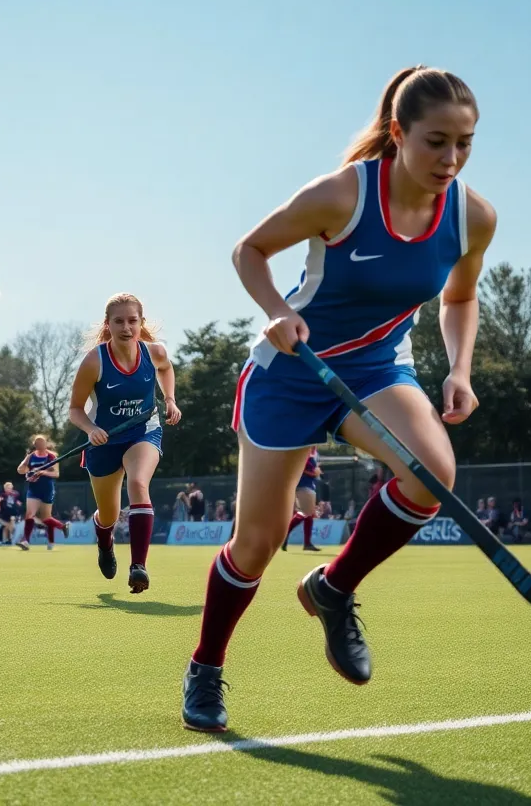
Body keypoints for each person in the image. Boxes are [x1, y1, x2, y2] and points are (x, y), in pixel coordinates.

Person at [181, 66, 496, 732]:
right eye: (436, 142)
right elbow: (249, 250)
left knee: (433, 473)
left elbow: (460, 297)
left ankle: (333, 587)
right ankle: (205, 666)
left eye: (464, 144)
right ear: (398, 133)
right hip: (293, 372)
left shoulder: (472, 217)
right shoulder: (342, 195)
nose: (451, 159)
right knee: (257, 544)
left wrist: (460, 369)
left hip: (378, 370)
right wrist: (276, 310)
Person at [68, 293, 182, 593]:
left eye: (133, 321)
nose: (126, 328)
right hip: (103, 442)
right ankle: (104, 541)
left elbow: (166, 369)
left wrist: (170, 399)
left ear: (141, 322)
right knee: (109, 515)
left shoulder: (155, 353)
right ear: (108, 324)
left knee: (138, 483)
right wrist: (91, 429)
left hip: (143, 431)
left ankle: (138, 566)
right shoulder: (94, 361)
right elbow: (75, 409)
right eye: (119, 321)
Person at [17, 435, 67, 551]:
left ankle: (59, 530)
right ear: (35, 445)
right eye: (37, 443)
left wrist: (42, 472)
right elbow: (20, 469)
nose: (39, 445)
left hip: (47, 490)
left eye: (42, 442)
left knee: (46, 518)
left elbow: (56, 474)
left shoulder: (52, 457)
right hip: (33, 489)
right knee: (30, 514)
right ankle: (25, 541)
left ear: (46, 444)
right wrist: (28, 471)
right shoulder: (31, 456)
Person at [281, 447, 323, 551]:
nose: (314, 447)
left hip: (308, 486)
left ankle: (305, 543)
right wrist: (314, 473)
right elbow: (302, 469)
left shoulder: (310, 457)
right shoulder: (304, 456)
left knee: (307, 515)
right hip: (303, 486)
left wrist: (316, 472)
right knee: (305, 514)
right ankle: (286, 537)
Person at [0, 482, 23, 546]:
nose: (9, 489)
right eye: (7, 488)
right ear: (5, 489)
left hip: (12, 515)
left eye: (10, 487)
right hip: (2, 516)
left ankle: (7, 541)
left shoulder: (16, 494)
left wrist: (18, 504)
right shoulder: (3, 495)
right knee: (8, 527)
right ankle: (11, 540)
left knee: (9, 527)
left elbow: (19, 502)